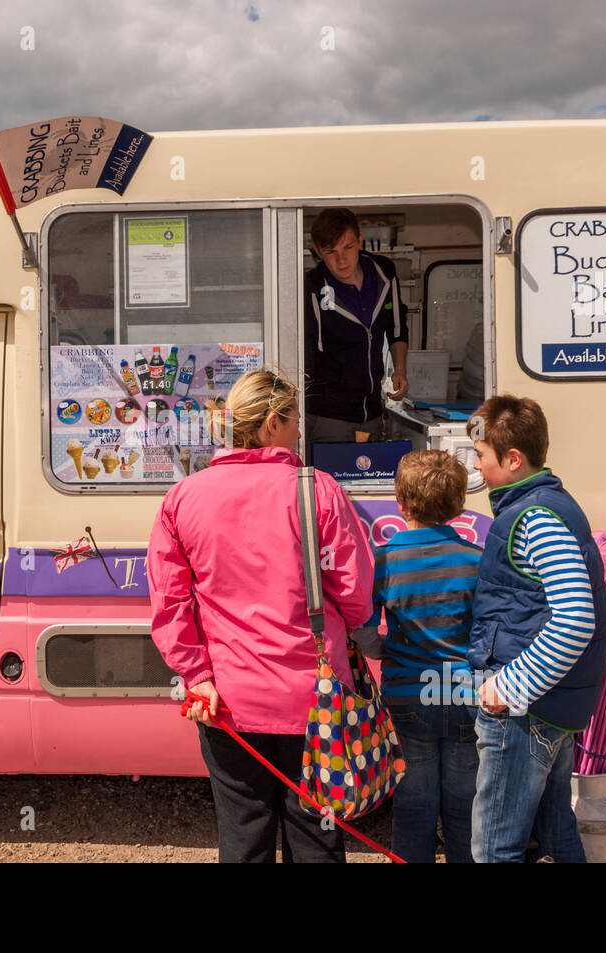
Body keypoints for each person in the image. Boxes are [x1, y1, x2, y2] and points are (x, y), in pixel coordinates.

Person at [147, 368, 375, 863]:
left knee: (243, 833)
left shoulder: (183, 497)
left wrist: (197, 675)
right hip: (316, 698)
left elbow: (170, 603)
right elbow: (355, 595)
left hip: (227, 700)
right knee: (316, 835)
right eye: (294, 419)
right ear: (272, 423)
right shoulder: (318, 489)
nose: (299, 429)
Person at [467, 395, 606, 863]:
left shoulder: (535, 519)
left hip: (525, 710)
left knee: (495, 847)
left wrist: (508, 685)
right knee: (555, 831)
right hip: (550, 703)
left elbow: (575, 619)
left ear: (513, 459)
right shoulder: (548, 504)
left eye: (481, 454)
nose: (475, 463)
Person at [352, 450, 482, 863]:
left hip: (408, 699)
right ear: (459, 506)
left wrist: (385, 650)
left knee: (413, 803)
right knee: (465, 805)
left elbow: (365, 632)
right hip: (466, 696)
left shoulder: (385, 560)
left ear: (401, 503)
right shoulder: (477, 561)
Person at [303, 208, 409, 453]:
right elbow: (307, 353)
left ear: (360, 240)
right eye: (331, 252)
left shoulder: (384, 273)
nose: (341, 260)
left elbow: (397, 326)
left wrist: (400, 369)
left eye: (348, 247)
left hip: (372, 412)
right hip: (327, 416)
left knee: (371, 485)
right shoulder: (312, 287)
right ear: (318, 252)